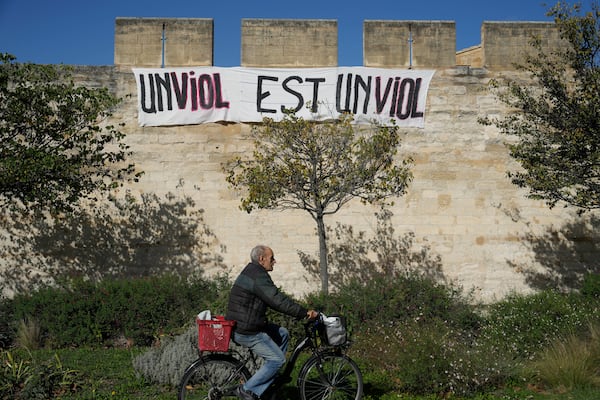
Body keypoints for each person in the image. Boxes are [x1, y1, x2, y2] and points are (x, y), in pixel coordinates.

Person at [226, 245, 318, 400]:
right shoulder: (258, 276)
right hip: (247, 330)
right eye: (272, 258)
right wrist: (303, 312)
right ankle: (247, 390)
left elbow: (273, 299)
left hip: (245, 324)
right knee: (278, 360)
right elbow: (277, 300)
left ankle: (270, 378)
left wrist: (294, 311)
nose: (274, 261)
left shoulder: (253, 271)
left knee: (282, 334)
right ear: (261, 259)